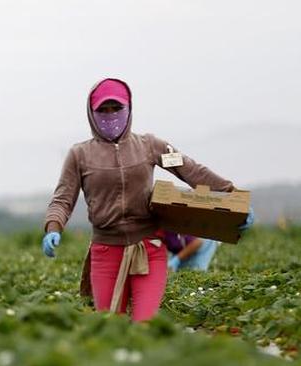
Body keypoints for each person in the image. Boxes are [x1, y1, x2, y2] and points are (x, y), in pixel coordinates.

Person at [41, 77, 254, 321]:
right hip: (106, 252)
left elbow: (191, 171)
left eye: (117, 108)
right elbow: (62, 199)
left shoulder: (150, 146)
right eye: (103, 109)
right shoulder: (80, 155)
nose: (111, 115)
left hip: (149, 250)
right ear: (91, 113)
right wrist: (53, 227)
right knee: (110, 327)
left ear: (129, 109)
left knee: (145, 324)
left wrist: (233, 196)